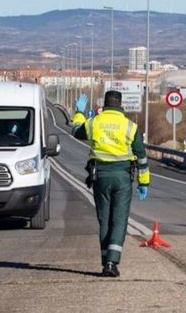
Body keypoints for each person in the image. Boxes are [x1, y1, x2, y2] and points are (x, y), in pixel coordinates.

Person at [73, 90, 150, 277]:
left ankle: (105, 260)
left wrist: (79, 113)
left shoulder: (95, 122)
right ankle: (112, 262)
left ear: (104, 104)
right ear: (120, 104)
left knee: (104, 219)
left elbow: (76, 132)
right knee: (119, 219)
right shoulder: (130, 127)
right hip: (122, 177)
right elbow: (141, 156)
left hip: (100, 176)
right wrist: (143, 182)